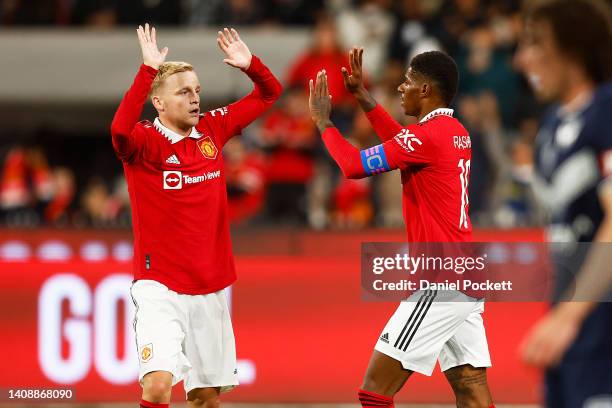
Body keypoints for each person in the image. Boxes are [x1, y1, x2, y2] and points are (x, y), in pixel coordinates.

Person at [309, 48, 495, 407]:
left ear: (425, 90)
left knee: (374, 391)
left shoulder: (427, 137)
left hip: (440, 283)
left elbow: (352, 165)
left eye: (407, 82)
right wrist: (362, 96)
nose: (400, 88)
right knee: (471, 389)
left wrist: (324, 123)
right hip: (466, 277)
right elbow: (403, 144)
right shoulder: (454, 131)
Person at [110, 24, 282, 408]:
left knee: (205, 397)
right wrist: (148, 71)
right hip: (160, 287)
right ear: (159, 103)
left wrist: (250, 64)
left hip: (211, 285)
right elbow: (118, 130)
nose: (194, 99)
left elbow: (271, 94)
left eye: (197, 91)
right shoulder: (143, 142)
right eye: (184, 92)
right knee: (156, 387)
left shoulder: (213, 129)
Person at [514, 0, 612, 406]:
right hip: (571, 313)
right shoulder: (553, 125)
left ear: (571, 50)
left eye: (536, 44)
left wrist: (567, 318)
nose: (523, 59)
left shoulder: (607, 109)